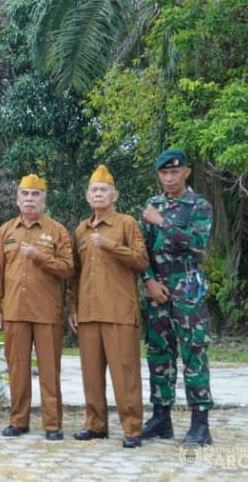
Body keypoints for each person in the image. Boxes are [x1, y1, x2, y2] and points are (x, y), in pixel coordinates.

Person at [139, 148, 215, 447]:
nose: (169, 178)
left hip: (187, 288)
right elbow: (141, 249)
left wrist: (162, 222)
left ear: (186, 172)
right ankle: (161, 418)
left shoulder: (199, 206)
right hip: (158, 287)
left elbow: (197, 244)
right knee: (159, 353)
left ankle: (200, 424)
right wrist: (148, 280)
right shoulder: (153, 204)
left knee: (194, 352)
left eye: (174, 171)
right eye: (164, 173)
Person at [0, 174, 74, 441]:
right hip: (15, 311)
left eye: (35, 195)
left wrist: (40, 256)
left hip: (47, 312)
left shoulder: (57, 230)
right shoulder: (6, 231)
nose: (29, 199)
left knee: (49, 370)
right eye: (24, 194)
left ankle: (52, 424)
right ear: (17, 200)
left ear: (43, 201)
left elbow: (68, 268)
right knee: (17, 370)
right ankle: (18, 421)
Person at [68, 166, 148, 448]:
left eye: (104, 190)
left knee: (125, 373)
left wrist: (112, 245)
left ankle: (132, 429)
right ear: (87, 196)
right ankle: (96, 425)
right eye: (94, 190)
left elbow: (142, 261)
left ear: (115, 195)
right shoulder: (81, 229)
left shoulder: (126, 223)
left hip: (119, 311)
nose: (98, 194)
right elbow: (75, 274)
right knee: (91, 374)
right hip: (89, 313)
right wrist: (73, 307)